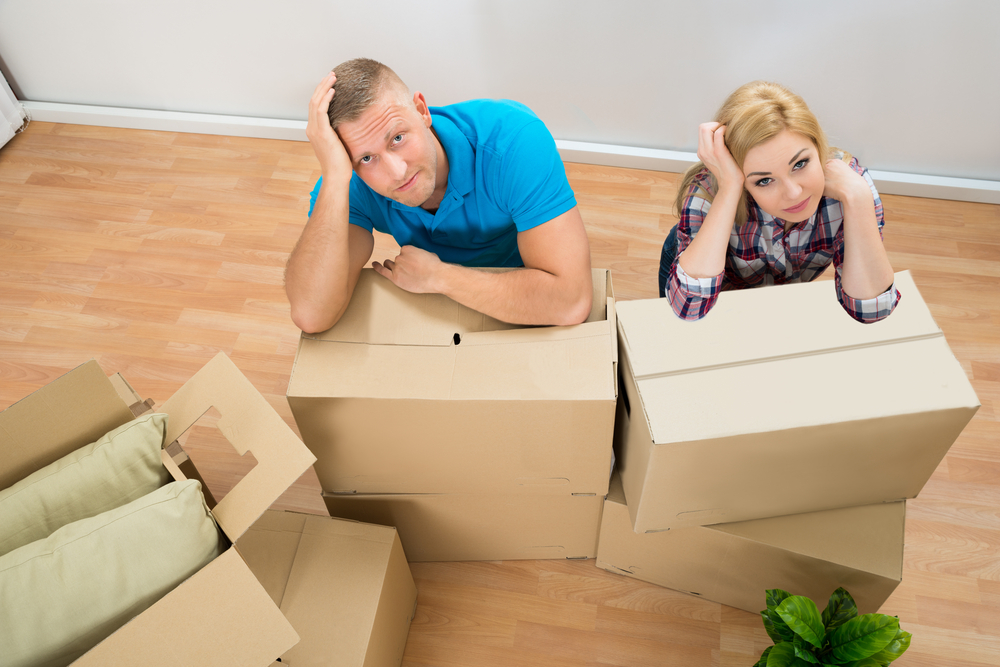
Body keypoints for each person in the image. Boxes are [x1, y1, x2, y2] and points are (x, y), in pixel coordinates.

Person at [285, 58, 593, 334]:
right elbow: (312, 314)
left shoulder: (515, 142)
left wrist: (439, 278)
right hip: (437, 310)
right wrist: (337, 177)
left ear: (421, 111)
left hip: (522, 281)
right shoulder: (351, 180)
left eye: (397, 138)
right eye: (366, 158)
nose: (396, 171)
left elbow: (570, 301)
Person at [658, 81, 899, 323]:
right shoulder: (709, 192)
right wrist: (730, 187)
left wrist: (858, 199)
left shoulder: (851, 187)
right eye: (764, 181)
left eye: (800, 164)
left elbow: (872, 313)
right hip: (705, 276)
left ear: (818, 146)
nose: (794, 193)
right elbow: (688, 308)